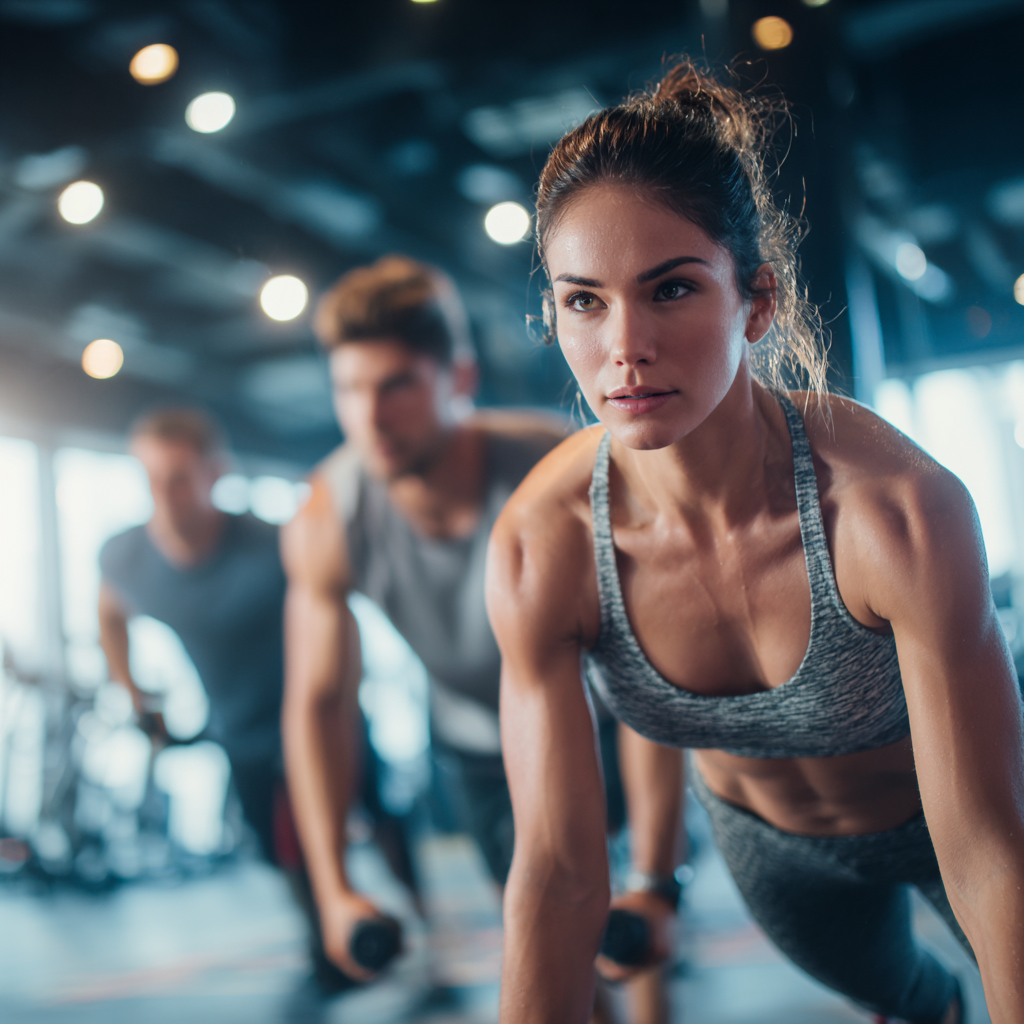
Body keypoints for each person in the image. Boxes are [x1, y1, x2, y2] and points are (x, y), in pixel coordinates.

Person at [487, 61, 1024, 1024]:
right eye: (585, 300)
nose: (626, 346)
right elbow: (562, 875)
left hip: (970, 820)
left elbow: (989, 843)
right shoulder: (543, 543)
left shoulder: (895, 509)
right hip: (774, 850)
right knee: (919, 1008)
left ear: (758, 301)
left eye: (673, 289)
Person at [281, 256, 680, 1021]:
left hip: (611, 716)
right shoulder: (327, 517)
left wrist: (657, 877)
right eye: (349, 390)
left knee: (635, 951)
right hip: (482, 746)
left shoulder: (556, 470)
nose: (370, 417)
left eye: (395, 384)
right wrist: (334, 890)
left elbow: (651, 664)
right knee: (566, 966)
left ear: (457, 379)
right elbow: (320, 704)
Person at [98, 408, 410, 991]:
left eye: (178, 479)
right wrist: (134, 693)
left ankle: (422, 914)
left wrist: (339, 697)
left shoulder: (272, 544)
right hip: (239, 730)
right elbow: (109, 613)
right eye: (151, 481)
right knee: (283, 853)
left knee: (381, 820)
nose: (164, 497)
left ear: (214, 474)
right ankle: (329, 942)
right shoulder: (126, 558)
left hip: (321, 716)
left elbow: (337, 611)